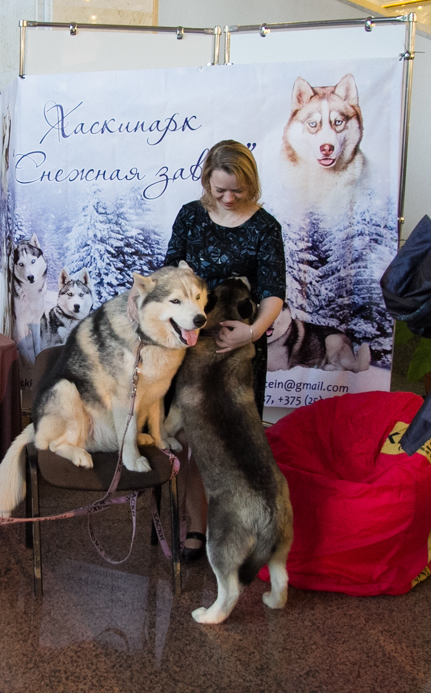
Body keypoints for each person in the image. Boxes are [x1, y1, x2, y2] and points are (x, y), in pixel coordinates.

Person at [164, 139, 286, 561]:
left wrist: (250, 333)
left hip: (240, 355)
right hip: (190, 348)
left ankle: (236, 530)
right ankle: (196, 528)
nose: (229, 198)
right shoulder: (191, 216)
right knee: (190, 437)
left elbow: (274, 294)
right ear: (206, 183)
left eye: (238, 190)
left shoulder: (266, 227)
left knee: (231, 442)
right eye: (220, 191)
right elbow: (170, 270)